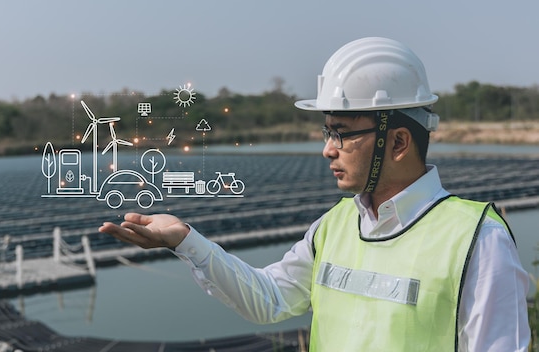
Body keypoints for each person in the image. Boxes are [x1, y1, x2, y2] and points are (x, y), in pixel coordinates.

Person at [99, 37, 531, 351]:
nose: (327, 148)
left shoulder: (477, 240)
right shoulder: (335, 226)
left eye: (342, 134)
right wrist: (186, 241)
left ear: (398, 142)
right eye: (327, 131)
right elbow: (268, 299)